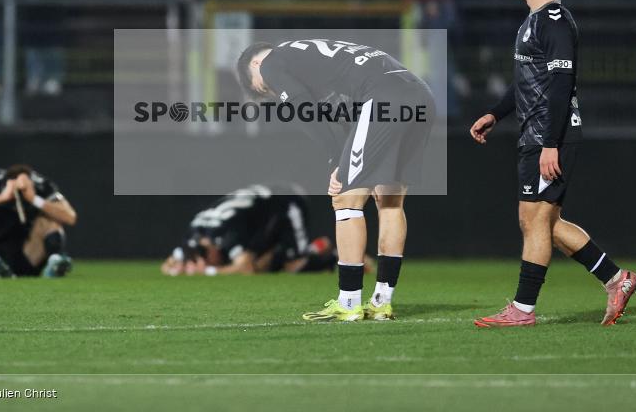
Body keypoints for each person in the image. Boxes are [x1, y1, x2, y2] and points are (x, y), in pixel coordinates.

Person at [469, 0, 636, 328]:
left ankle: (523, 309)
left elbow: (561, 87)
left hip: (551, 136)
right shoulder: (533, 21)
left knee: (533, 220)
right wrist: (496, 114)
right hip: (538, 133)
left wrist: (550, 144)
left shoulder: (556, 23)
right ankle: (618, 279)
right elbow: (529, 82)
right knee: (546, 222)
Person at [237, 39, 436, 321]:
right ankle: (381, 302)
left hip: (382, 97)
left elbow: (305, 112)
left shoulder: (270, 63)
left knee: (345, 199)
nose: (270, 91)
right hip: (419, 95)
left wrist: (336, 161)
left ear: (255, 64)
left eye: (263, 88)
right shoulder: (309, 56)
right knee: (390, 202)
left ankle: (349, 301)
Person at [160, 183, 364, 277]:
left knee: (292, 264)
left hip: (286, 201)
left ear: (212, 251)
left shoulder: (227, 234)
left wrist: (209, 271)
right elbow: (173, 261)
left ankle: (335, 257)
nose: (217, 260)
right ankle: (320, 246)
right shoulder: (196, 230)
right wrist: (176, 267)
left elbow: (245, 268)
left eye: (212, 259)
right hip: (261, 214)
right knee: (265, 264)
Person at [0, 164, 76, 278]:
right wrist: (2, 197)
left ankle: (55, 260)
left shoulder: (42, 185)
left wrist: (34, 199)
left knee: (51, 218)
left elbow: (70, 217)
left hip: (25, 257)